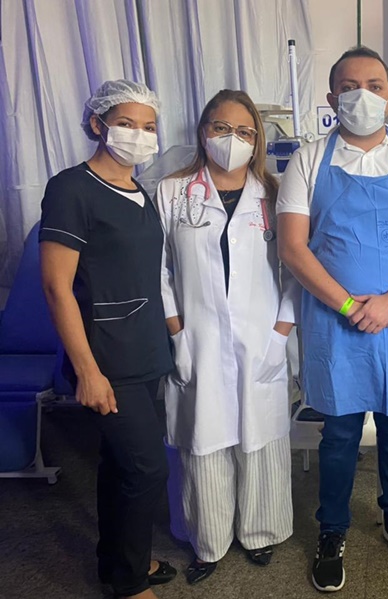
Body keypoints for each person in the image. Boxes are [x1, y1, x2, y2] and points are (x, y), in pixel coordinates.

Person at [277, 46, 388, 593]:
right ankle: (332, 530)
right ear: (332, 98)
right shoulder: (308, 161)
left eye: (374, 85)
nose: (362, 95)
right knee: (340, 433)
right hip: (336, 320)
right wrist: (350, 305)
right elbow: (293, 247)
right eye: (350, 86)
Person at [39, 80, 176, 599]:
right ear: (98, 124)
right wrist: (88, 371)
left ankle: (117, 561)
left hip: (143, 350)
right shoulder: (72, 189)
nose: (139, 135)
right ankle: (129, 582)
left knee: (120, 465)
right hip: (106, 356)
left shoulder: (141, 191)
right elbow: (57, 287)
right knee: (146, 468)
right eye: (126, 124)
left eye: (148, 126)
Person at [157, 90, 299, 584]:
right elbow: (159, 271)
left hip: (262, 337)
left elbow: (293, 271)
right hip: (196, 337)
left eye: (243, 131)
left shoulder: (274, 194)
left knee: (260, 439)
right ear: (203, 131)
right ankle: (208, 541)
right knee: (203, 437)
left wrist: (280, 335)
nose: (231, 139)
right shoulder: (173, 192)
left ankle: (261, 533)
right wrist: (177, 333)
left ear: (256, 140)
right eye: (221, 128)